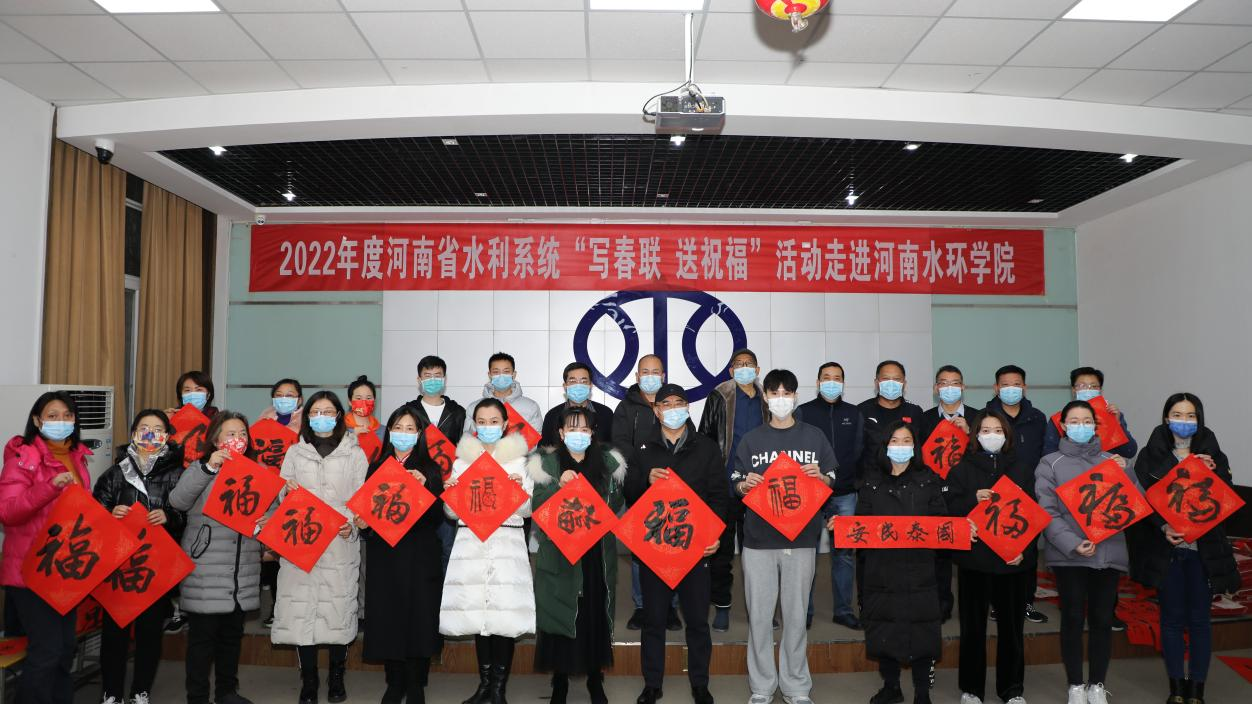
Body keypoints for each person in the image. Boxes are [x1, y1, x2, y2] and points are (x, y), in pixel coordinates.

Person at [732, 369, 838, 704]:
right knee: (760, 618)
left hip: (801, 539)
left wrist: (821, 478)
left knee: (795, 617)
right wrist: (743, 485)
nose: (781, 399)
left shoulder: (814, 437)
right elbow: (735, 481)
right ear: (765, 397)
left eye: (787, 393)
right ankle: (762, 686)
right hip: (758, 540)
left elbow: (832, 478)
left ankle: (796, 686)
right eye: (774, 393)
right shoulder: (752, 439)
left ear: (795, 396)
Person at [1129, 394, 1240, 704]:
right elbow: (1142, 501)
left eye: (1190, 415)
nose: (1184, 420)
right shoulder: (1150, 454)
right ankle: (1176, 687)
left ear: (1199, 419)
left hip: (1203, 551)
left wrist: (1214, 472)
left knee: (1201, 621)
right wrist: (1163, 527)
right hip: (1167, 550)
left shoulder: (1214, 453)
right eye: (1177, 414)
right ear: (1166, 418)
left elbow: (1227, 501)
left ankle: (1197, 689)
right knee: (1171, 620)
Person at [1036, 401, 1143, 704]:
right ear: (1063, 426)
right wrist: (1072, 542)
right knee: (1071, 617)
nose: (1081, 426)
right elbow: (1047, 511)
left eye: (1087, 421)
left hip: (1108, 552)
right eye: (1074, 421)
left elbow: (1136, 502)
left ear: (1096, 426)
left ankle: (1097, 684)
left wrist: (1128, 472)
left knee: (1101, 619)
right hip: (1069, 555)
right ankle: (1075, 685)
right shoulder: (1050, 463)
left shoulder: (1112, 460)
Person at [626, 383, 725, 704]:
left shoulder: (706, 447)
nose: (672, 409)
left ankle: (700, 684)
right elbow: (629, 494)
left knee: (697, 621)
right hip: (656, 548)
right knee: (654, 620)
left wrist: (713, 535)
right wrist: (645, 481)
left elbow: (719, 496)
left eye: (678, 403)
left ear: (687, 407)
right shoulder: (643, 447)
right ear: (656, 411)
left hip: (695, 548)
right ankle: (652, 684)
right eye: (665, 404)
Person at [271, 392, 369, 704]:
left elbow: (362, 499)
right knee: (302, 611)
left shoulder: (355, 453)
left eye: (328, 411)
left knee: (337, 610)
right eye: (315, 411)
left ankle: (337, 676)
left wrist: (352, 524)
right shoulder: (295, 452)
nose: (321, 416)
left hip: (339, 542)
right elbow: (281, 493)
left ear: (339, 415)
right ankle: (309, 679)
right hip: (300, 539)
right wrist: (285, 492)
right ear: (307, 416)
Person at [529, 406, 627, 704]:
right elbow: (537, 506)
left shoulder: (607, 462)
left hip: (596, 553)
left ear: (593, 433)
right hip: (560, 552)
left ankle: (596, 679)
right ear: (561, 433)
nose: (578, 434)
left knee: (593, 614)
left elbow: (615, 504)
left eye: (584, 429)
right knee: (560, 613)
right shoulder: (547, 463)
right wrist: (559, 486)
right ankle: (559, 680)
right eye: (572, 429)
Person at [440, 398, 534, 704]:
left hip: (507, 541)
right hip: (472, 543)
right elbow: (452, 514)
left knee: (503, 617)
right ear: (474, 425)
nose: (488, 426)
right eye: (482, 422)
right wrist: (451, 494)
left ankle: (498, 689)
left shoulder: (520, 461)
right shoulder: (462, 461)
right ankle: (484, 685)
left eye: (494, 421)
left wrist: (519, 492)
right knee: (478, 616)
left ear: (505, 424)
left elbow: (529, 510)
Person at [0, 392, 90, 704]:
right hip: (30, 571)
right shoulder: (23, 457)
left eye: (67, 415)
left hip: (65, 567)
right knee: (47, 651)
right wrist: (49, 488)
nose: (61, 421)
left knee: (65, 649)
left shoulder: (77, 456)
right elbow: (8, 512)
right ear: (38, 421)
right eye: (52, 416)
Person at [167, 410, 263, 704]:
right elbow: (177, 501)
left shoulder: (256, 472)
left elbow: (268, 514)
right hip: (206, 567)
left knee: (231, 638)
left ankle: (226, 692)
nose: (238, 439)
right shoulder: (200, 468)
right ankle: (197, 697)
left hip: (241, 568)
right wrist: (209, 467)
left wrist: (266, 522)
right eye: (231, 434)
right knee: (202, 640)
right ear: (216, 440)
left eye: (243, 434)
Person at [92, 409, 186, 704]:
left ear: (167, 436)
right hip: (118, 567)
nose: (150, 434)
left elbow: (189, 515)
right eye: (144, 428)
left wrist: (169, 516)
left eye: (157, 429)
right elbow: (93, 517)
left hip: (156, 567)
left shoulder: (179, 474)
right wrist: (110, 514)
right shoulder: (115, 473)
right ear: (133, 433)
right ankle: (111, 693)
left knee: (149, 634)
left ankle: (140, 691)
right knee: (114, 634)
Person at [944, 409, 1033, 704]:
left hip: (1012, 562)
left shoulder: (1021, 468)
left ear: (1007, 435)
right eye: (985, 430)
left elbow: (1034, 514)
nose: (992, 435)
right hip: (975, 561)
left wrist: (1024, 551)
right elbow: (948, 508)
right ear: (975, 435)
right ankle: (972, 689)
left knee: (1012, 629)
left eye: (998, 430)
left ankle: (1012, 689)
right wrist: (972, 499)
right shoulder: (962, 469)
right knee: (972, 628)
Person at [857, 421, 948, 704]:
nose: (900, 446)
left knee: (922, 630)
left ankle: (922, 693)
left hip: (920, 569)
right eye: (894, 441)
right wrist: (843, 526)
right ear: (885, 446)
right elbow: (861, 523)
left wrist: (959, 529)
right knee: (884, 627)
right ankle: (891, 687)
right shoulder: (871, 482)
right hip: (881, 569)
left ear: (915, 446)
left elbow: (941, 522)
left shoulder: (928, 480)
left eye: (906, 440)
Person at [360, 405, 446, 704]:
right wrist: (362, 521)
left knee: (419, 618)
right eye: (398, 428)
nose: (404, 434)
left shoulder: (430, 469)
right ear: (389, 432)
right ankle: (394, 682)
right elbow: (368, 510)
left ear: (419, 434)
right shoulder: (377, 467)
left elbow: (438, 518)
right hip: (385, 554)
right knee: (389, 616)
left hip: (420, 553)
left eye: (410, 429)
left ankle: (416, 683)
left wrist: (426, 488)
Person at [699, 348, 768, 631]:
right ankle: (722, 606)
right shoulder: (719, 397)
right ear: (730, 371)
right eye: (738, 364)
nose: (743, 368)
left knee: (759, 555)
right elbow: (705, 438)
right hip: (725, 487)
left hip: (760, 489)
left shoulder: (768, 400)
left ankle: (760, 610)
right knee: (722, 553)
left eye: (749, 364)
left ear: (757, 369)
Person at [796, 361, 864, 630]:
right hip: (810, 495)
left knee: (844, 555)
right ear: (817, 382)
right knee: (807, 555)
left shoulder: (853, 413)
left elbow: (858, 450)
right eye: (826, 377)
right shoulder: (804, 412)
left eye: (837, 378)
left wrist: (850, 481)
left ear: (843, 383)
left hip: (844, 493)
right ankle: (806, 611)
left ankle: (843, 611)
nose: (832, 382)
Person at [610, 354, 672, 631]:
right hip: (638, 486)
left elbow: (686, 441)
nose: (650, 376)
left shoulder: (673, 402)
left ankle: (670, 606)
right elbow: (621, 445)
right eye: (645, 372)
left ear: (663, 376)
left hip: (670, 487)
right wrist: (644, 473)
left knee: (670, 546)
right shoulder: (626, 407)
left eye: (655, 372)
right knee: (640, 550)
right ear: (637, 377)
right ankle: (641, 605)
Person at [986, 365, 1050, 626]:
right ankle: (996, 604)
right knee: (995, 549)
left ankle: (1026, 602)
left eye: (1016, 384)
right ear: (996, 388)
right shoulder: (986, 416)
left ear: (1024, 387)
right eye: (1005, 384)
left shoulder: (1037, 418)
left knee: (1028, 551)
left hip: (1029, 492)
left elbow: (1045, 454)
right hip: (995, 494)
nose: (1011, 389)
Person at [916, 365, 973, 624]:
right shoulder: (925, 418)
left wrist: (970, 434)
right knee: (939, 554)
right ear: (936, 388)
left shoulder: (978, 417)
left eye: (955, 382)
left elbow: (989, 454)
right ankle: (941, 605)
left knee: (970, 552)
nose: (949, 388)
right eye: (944, 382)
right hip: (935, 493)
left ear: (963, 387)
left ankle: (972, 607)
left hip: (968, 493)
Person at [1042, 367, 1138, 458]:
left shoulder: (1112, 414)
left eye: (1094, 386)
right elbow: (1049, 455)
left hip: (1107, 467)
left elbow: (1129, 451)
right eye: (1082, 386)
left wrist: (1117, 423)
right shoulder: (1059, 419)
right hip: (1072, 469)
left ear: (1100, 390)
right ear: (1073, 390)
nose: (1088, 390)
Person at [464, 352, 544, 435]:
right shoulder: (474, 408)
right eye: (496, 372)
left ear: (513, 374)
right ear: (489, 375)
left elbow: (536, 439)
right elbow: (467, 438)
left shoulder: (530, 407)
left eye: (506, 372)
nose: (501, 376)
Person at [540, 362, 614, 447]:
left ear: (590, 386)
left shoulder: (606, 414)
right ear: (565, 386)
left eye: (584, 381)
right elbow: (543, 449)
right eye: (573, 381)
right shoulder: (552, 416)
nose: (578, 385)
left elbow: (613, 448)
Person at [407, 355, 467, 446]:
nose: (433, 380)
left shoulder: (457, 412)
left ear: (444, 379)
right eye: (427, 376)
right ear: (419, 380)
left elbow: (463, 446)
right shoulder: (409, 411)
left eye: (437, 375)